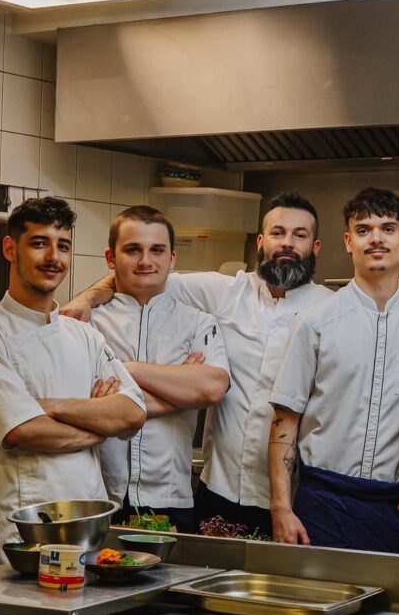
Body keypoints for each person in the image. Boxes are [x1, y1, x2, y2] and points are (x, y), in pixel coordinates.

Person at [62, 191, 334, 537]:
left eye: (300, 235)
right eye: (278, 233)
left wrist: (121, 372)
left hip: (295, 496)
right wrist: (87, 298)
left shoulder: (331, 310)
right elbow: (139, 275)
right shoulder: (225, 291)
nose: (287, 243)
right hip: (219, 487)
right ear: (261, 242)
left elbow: (212, 387)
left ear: (316, 246)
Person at [0, 196, 146, 551]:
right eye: (39, 243)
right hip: (24, 532)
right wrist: (99, 426)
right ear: (10, 249)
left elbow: (132, 413)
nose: (53, 257)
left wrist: (48, 406)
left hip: (89, 523)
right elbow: (23, 430)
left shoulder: (85, 336)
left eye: (63, 246)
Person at [268, 187, 399, 553]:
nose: (376, 238)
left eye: (387, 229)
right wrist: (280, 507)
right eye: (363, 230)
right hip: (322, 501)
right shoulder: (315, 321)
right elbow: (285, 420)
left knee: (392, 593)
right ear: (349, 242)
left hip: (396, 507)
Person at [90, 206, 230, 533]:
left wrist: (124, 371)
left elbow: (211, 388)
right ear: (110, 258)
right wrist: (179, 388)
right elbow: (84, 405)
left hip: (171, 497)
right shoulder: (88, 324)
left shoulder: (198, 322)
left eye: (157, 250)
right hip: (99, 497)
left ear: (172, 259)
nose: (145, 261)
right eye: (132, 250)